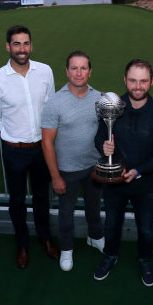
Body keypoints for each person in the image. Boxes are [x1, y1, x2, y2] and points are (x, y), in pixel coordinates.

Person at [0, 25, 59, 269]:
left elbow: (51, 109)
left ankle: (45, 238)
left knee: (41, 197)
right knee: (16, 200)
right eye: (16, 44)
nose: (22, 49)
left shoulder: (45, 72)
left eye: (26, 43)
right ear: (8, 47)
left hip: (42, 149)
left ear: (31, 45)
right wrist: (15, 138)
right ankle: (22, 244)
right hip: (14, 150)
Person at [93, 59, 153, 286]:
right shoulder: (113, 106)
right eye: (133, 80)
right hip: (114, 183)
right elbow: (99, 137)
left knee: (146, 229)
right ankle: (110, 256)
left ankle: (145, 260)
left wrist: (137, 171)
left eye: (143, 81)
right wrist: (103, 146)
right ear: (125, 80)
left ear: (151, 82)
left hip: (144, 185)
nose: (138, 86)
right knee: (111, 225)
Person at [41, 51, 105, 271]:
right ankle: (66, 250)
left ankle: (95, 236)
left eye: (83, 68)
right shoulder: (55, 102)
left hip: (93, 166)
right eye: (74, 68)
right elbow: (47, 143)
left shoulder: (100, 98)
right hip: (66, 170)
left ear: (90, 71)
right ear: (67, 71)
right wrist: (55, 176)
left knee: (94, 207)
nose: (79, 73)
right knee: (66, 214)